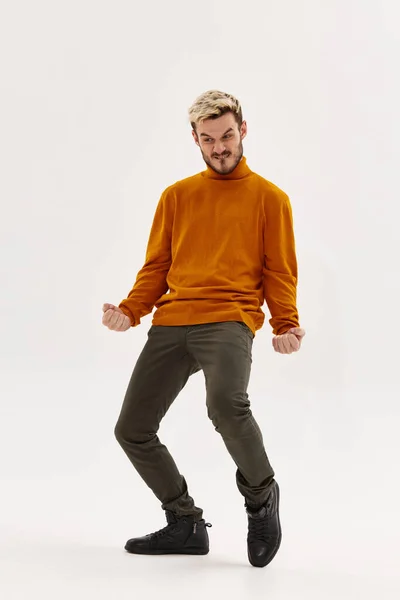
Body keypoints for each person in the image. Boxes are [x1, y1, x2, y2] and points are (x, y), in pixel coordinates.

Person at [102, 89, 305, 568]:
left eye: (228, 136)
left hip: (230, 319)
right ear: (194, 139)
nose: (220, 148)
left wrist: (286, 323)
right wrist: (131, 310)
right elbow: (157, 266)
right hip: (173, 320)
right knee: (131, 428)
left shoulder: (270, 199)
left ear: (243, 131)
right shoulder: (176, 196)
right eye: (209, 139)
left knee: (226, 406)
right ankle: (185, 523)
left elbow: (280, 271)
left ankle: (261, 497)